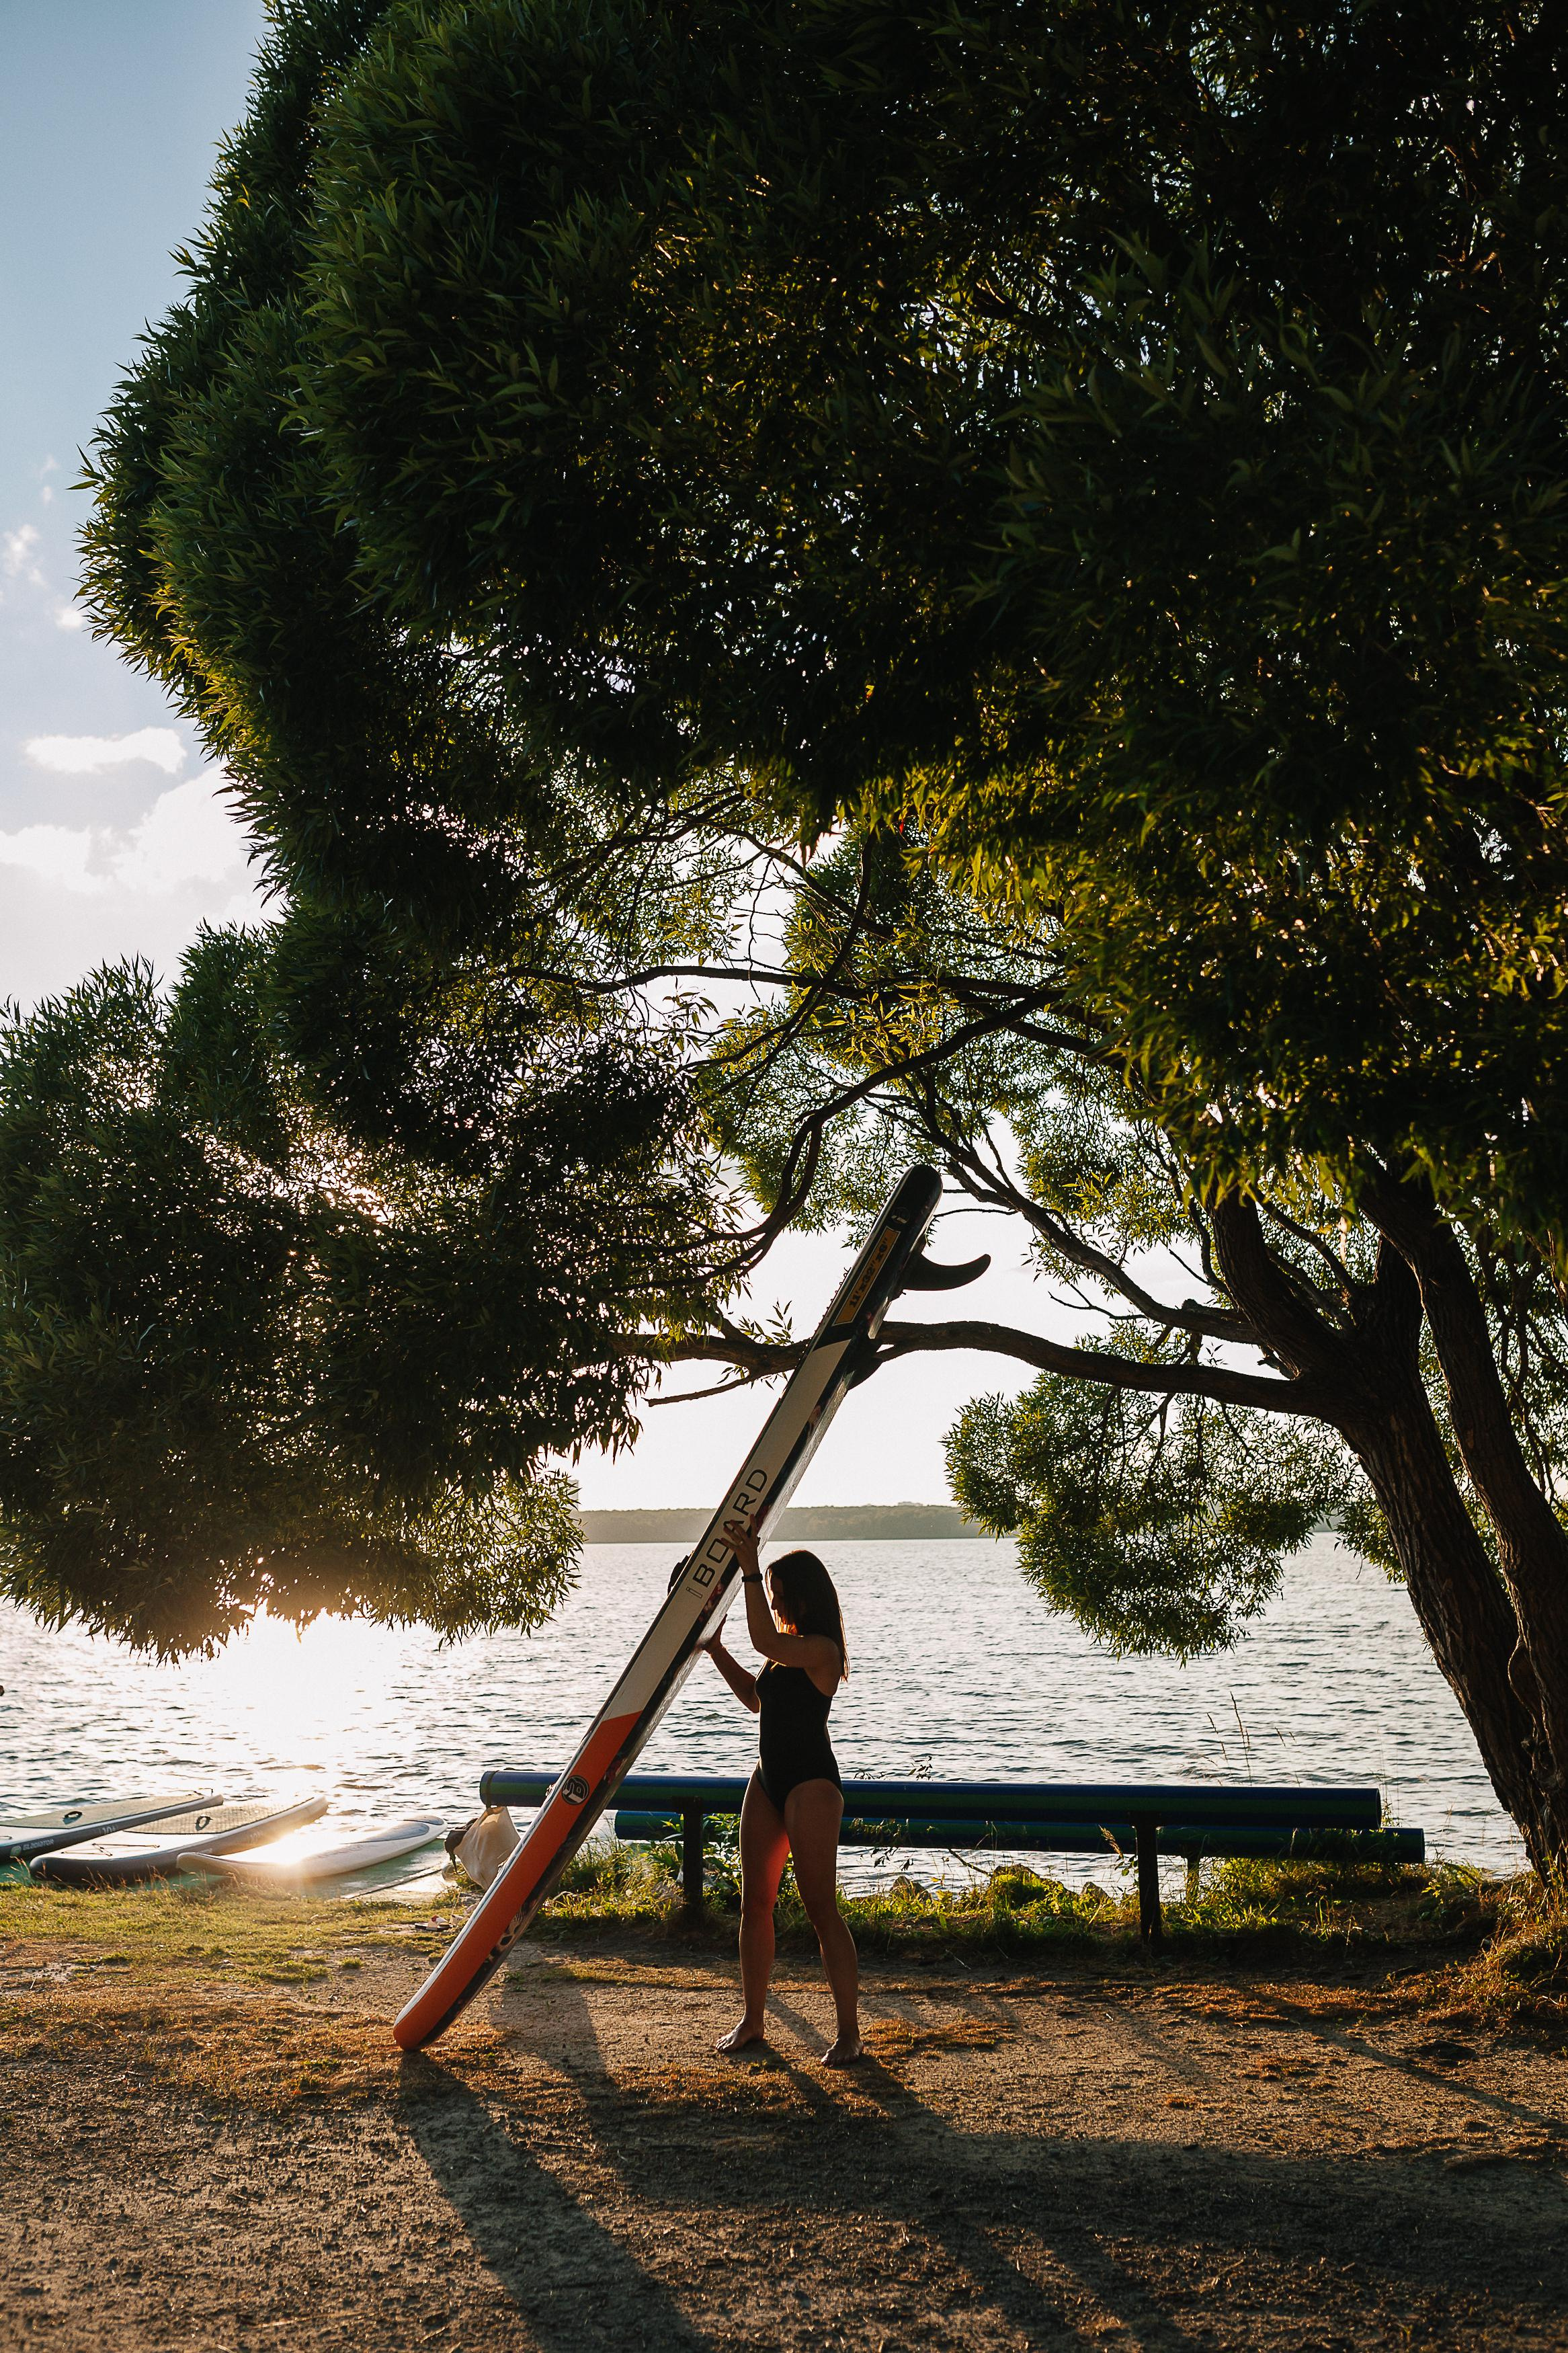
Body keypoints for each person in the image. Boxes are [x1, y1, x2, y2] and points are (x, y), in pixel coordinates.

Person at [700, 1520, 861, 2065]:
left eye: (777, 1594)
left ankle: (848, 2033)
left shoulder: (821, 1650)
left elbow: (765, 1638)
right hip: (767, 1781)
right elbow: (755, 1698)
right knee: (755, 1906)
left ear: (803, 1595)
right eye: (769, 1595)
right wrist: (713, 1648)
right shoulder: (784, 1652)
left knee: (820, 1909)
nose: (774, 1602)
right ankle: (752, 2021)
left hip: (812, 1786)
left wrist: (748, 1567)